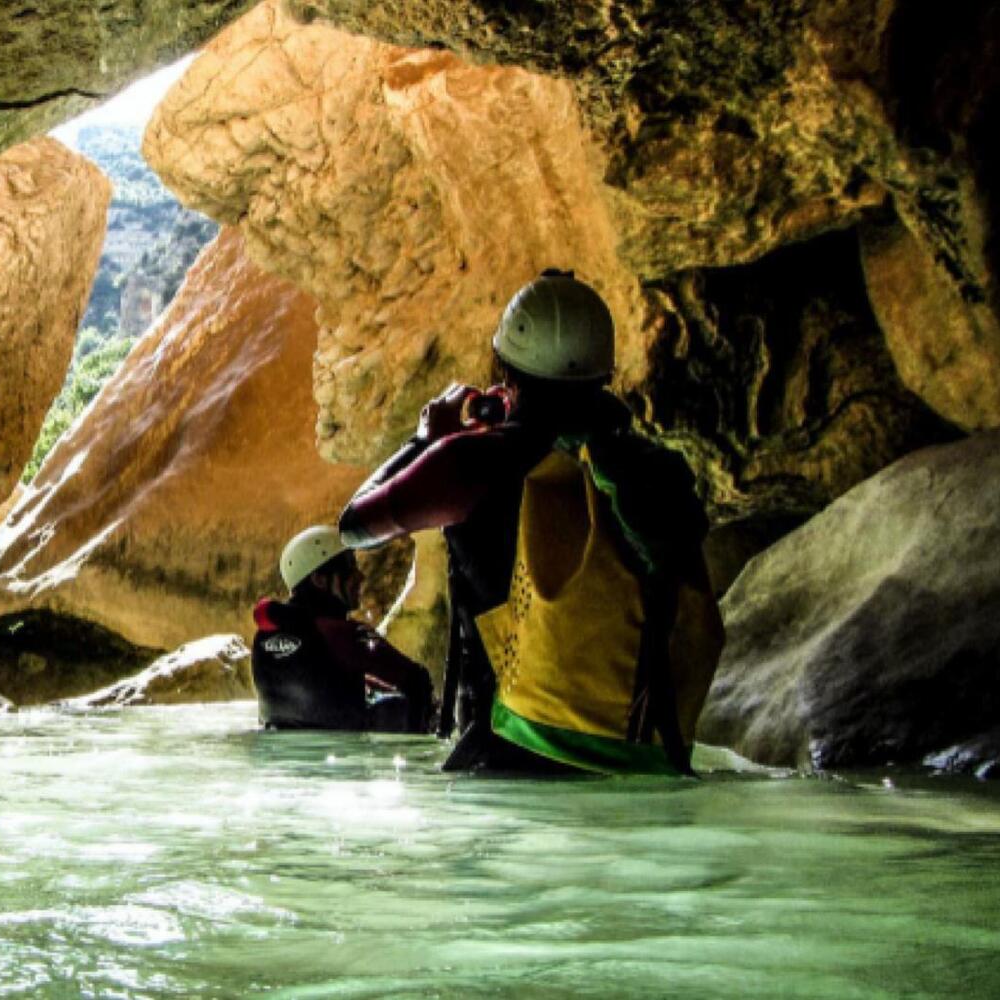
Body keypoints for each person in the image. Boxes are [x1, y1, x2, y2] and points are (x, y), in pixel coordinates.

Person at [338, 270, 724, 776]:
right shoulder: (650, 469)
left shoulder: (470, 463)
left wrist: (427, 438)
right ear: (605, 372)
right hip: (646, 761)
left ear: (504, 366)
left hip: (509, 759)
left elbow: (354, 526)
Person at [251, 526, 435, 733]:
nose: (360, 576)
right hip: (341, 757)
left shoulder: (263, 636)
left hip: (282, 756)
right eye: (349, 567)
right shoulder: (342, 633)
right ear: (320, 579)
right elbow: (416, 679)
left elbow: (318, 680)